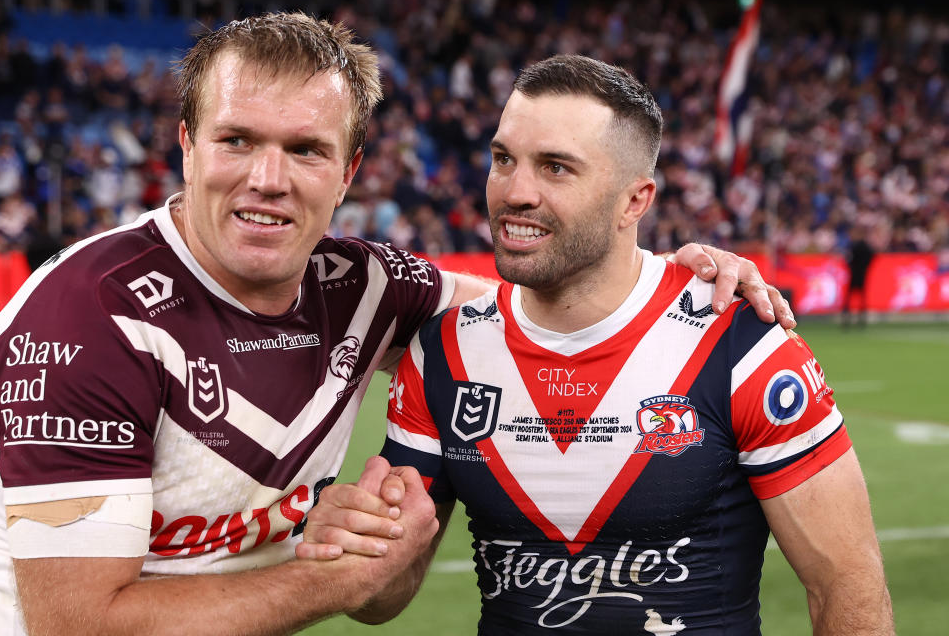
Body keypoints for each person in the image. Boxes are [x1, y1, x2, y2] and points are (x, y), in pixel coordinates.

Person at [0, 14, 791, 636]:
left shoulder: (363, 286)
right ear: (187, 145)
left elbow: (536, 300)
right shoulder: (88, 318)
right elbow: (81, 623)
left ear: (352, 170)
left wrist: (675, 279)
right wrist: (336, 578)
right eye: (237, 140)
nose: (267, 180)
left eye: (306, 149)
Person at [307, 55, 893, 634]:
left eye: (556, 168)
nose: (515, 192)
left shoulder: (742, 346)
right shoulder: (441, 352)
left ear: (635, 201)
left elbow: (846, 586)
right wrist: (355, 544)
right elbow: (381, 600)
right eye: (503, 159)